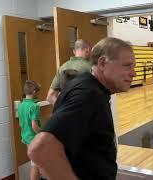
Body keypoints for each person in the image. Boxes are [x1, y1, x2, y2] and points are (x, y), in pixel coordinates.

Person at [28, 37, 137, 180]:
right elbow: (41, 148)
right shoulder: (89, 94)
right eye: (127, 65)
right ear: (102, 63)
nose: (133, 73)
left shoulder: (87, 86)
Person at [46, 39, 91, 105]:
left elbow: (50, 96)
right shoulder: (91, 67)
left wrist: (63, 110)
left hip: (66, 112)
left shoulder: (62, 68)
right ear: (88, 50)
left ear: (74, 51)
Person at [17, 80, 42, 180]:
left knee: (34, 161)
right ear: (34, 92)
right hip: (33, 138)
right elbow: (34, 126)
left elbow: (20, 123)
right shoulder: (34, 106)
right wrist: (42, 134)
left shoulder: (21, 105)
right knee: (35, 164)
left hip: (26, 137)